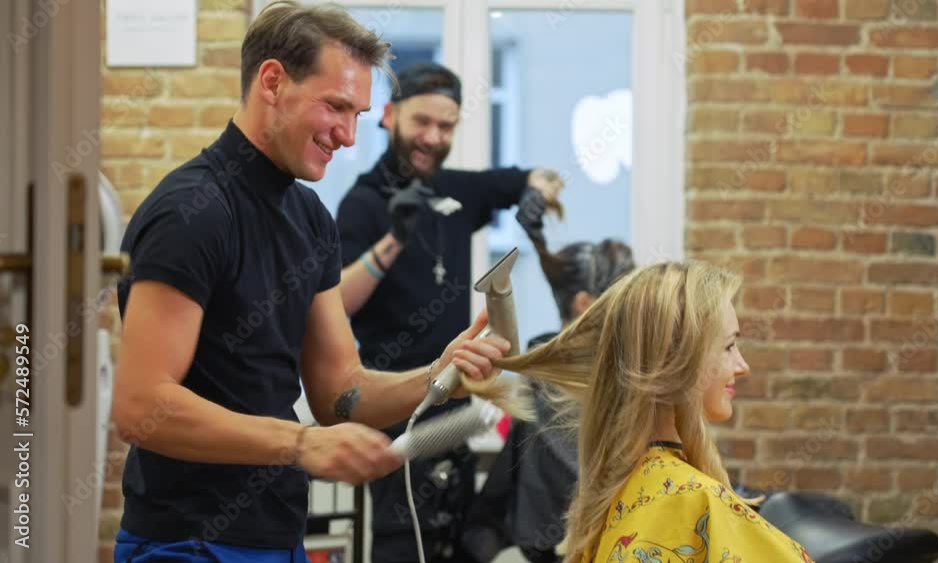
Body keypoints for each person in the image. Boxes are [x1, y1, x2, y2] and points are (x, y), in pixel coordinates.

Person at [109, 3, 510, 562]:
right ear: (272, 81)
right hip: (187, 541)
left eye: (358, 114)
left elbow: (339, 392)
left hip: (276, 534)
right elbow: (140, 405)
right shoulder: (191, 214)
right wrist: (299, 443)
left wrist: (440, 375)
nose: (348, 135)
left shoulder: (311, 218)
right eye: (335, 107)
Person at [332, 61, 565, 562]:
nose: (433, 137)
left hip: (455, 407)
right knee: (402, 546)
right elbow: (338, 304)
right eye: (422, 122)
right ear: (389, 115)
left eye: (446, 126)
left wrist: (535, 196)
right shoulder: (363, 204)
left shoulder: (458, 190)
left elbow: (545, 175)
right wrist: (393, 239)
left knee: (454, 543)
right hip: (392, 409)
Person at [468, 261, 815, 563]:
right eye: (728, 346)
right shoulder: (691, 502)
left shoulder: (610, 493)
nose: (742, 365)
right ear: (676, 360)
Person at [462, 239, 636, 563]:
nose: (634, 311)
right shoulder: (552, 380)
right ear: (584, 302)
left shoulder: (612, 372)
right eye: (624, 299)